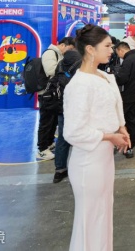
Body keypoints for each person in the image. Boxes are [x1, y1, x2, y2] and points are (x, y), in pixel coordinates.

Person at [63, 25, 130, 251]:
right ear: (90, 49)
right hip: (88, 160)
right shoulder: (79, 85)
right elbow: (73, 132)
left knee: (103, 212)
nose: (112, 50)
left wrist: (121, 126)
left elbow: (115, 105)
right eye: (107, 46)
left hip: (104, 157)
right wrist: (110, 136)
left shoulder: (105, 76)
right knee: (89, 218)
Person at [37, 36, 76, 160]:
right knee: (46, 122)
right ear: (63, 45)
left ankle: (49, 143)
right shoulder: (50, 53)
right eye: (70, 49)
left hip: (54, 93)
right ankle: (42, 149)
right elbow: (50, 71)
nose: (70, 52)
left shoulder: (59, 55)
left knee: (53, 121)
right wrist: (65, 66)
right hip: (47, 93)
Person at [50, 49, 81, 183]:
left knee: (63, 139)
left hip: (62, 107)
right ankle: (79, 169)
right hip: (78, 108)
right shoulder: (81, 65)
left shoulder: (60, 65)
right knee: (81, 139)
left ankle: (60, 170)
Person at [114, 42, 135, 158]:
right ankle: (129, 147)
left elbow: (122, 79)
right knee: (132, 122)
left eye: (117, 53)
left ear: (121, 50)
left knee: (121, 122)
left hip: (126, 96)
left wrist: (114, 76)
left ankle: (120, 144)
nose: (118, 56)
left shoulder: (128, 60)